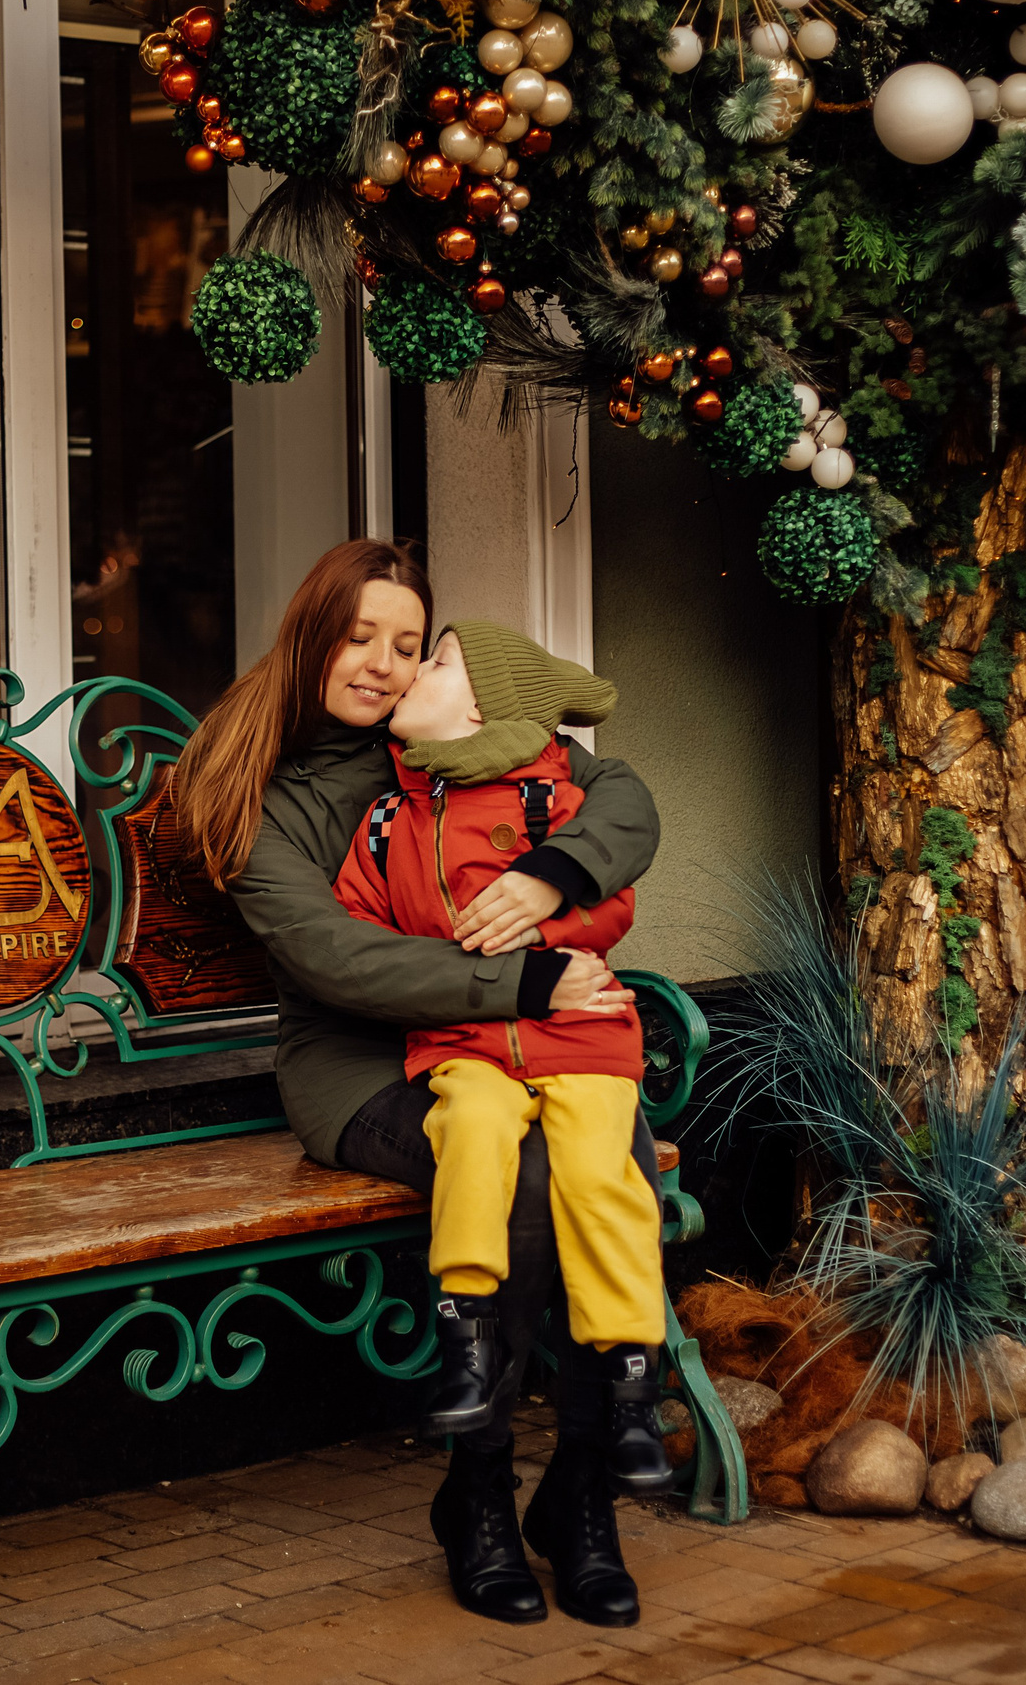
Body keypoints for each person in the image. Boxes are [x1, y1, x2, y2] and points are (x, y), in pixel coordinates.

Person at [178, 540, 665, 1629]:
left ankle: (583, 1496)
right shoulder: (256, 787)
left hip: (516, 1045)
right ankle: (479, 1491)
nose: (384, 667)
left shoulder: (445, 742)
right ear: (311, 635)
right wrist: (531, 974)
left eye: (408, 645)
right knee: (537, 1178)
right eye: (358, 638)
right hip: (361, 1064)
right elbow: (333, 958)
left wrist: (553, 875)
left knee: (610, 1149)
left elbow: (620, 790)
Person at [327, 621, 672, 1504]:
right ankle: (467, 1336)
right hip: (464, 1044)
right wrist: (483, 976)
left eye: (433, 658)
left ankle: (632, 1376)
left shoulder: (549, 799)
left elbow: (611, 901)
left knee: (603, 1173)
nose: (412, 669)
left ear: (479, 704)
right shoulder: (387, 818)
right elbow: (358, 932)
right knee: (475, 1135)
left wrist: (550, 932)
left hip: (582, 1040)